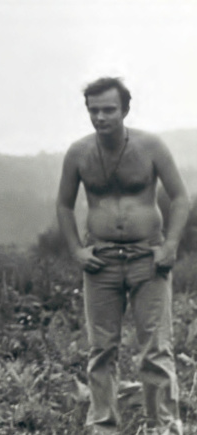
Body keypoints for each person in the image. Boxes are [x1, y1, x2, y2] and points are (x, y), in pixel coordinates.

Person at [56, 77, 189, 435]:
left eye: (109, 109)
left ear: (125, 109)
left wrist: (170, 245)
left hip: (149, 259)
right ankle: (103, 425)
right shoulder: (79, 153)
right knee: (101, 349)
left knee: (155, 348)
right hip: (101, 263)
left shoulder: (150, 146)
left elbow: (179, 197)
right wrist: (77, 251)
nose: (101, 117)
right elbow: (64, 205)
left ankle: (163, 425)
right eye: (94, 110)